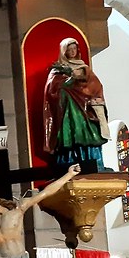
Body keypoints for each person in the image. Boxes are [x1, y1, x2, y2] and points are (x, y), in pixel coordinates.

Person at [43, 38, 110, 170]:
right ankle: (71, 162)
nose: (72, 52)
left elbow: (96, 86)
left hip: (86, 108)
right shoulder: (58, 70)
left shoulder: (84, 68)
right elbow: (52, 90)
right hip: (68, 109)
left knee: (90, 134)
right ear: (64, 51)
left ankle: (93, 162)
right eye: (69, 49)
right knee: (71, 136)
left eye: (74, 49)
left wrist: (92, 96)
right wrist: (69, 82)